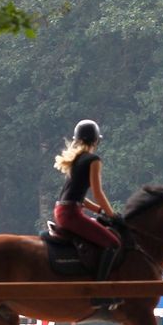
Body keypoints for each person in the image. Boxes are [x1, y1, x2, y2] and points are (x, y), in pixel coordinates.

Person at [53, 119, 121, 289]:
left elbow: (80, 197)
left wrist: (99, 211)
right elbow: (98, 193)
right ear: (96, 141)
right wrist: (112, 215)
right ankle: (101, 290)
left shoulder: (75, 160)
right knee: (113, 244)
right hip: (71, 214)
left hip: (61, 210)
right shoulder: (93, 160)